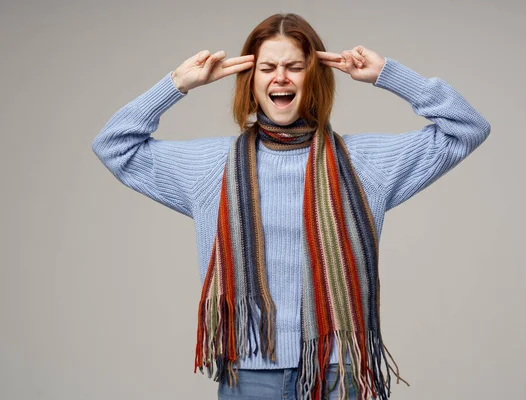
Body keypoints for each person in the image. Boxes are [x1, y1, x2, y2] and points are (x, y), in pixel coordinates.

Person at [92, 13, 490, 400]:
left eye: (294, 66)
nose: (280, 77)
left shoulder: (364, 164)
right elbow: (114, 146)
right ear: (251, 80)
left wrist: (389, 75)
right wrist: (178, 84)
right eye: (267, 67)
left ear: (312, 76)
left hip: (340, 376)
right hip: (249, 376)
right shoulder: (213, 168)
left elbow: (466, 128)